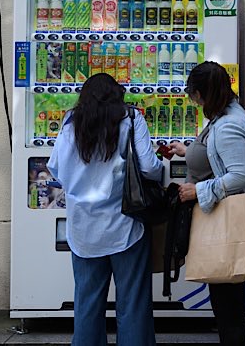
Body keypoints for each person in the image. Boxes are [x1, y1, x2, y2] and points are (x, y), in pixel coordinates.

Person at [47, 73, 162, 346]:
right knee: (133, 304)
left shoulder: (71, 122)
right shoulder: (131, 119)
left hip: (83, 230)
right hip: (126, 226)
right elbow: (149, 168)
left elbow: (56, 168)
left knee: (87, 305)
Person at [167, 61, 245, 346]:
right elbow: (219, 156)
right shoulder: (226, 115)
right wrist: (189, 151)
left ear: (201, 94)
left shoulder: (228, 124)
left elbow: (240, 174)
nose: (193, 101)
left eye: (193, 95)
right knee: (226, 301)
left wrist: (199, 190)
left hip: (227, 223)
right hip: (223, 221)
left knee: (227, 304)